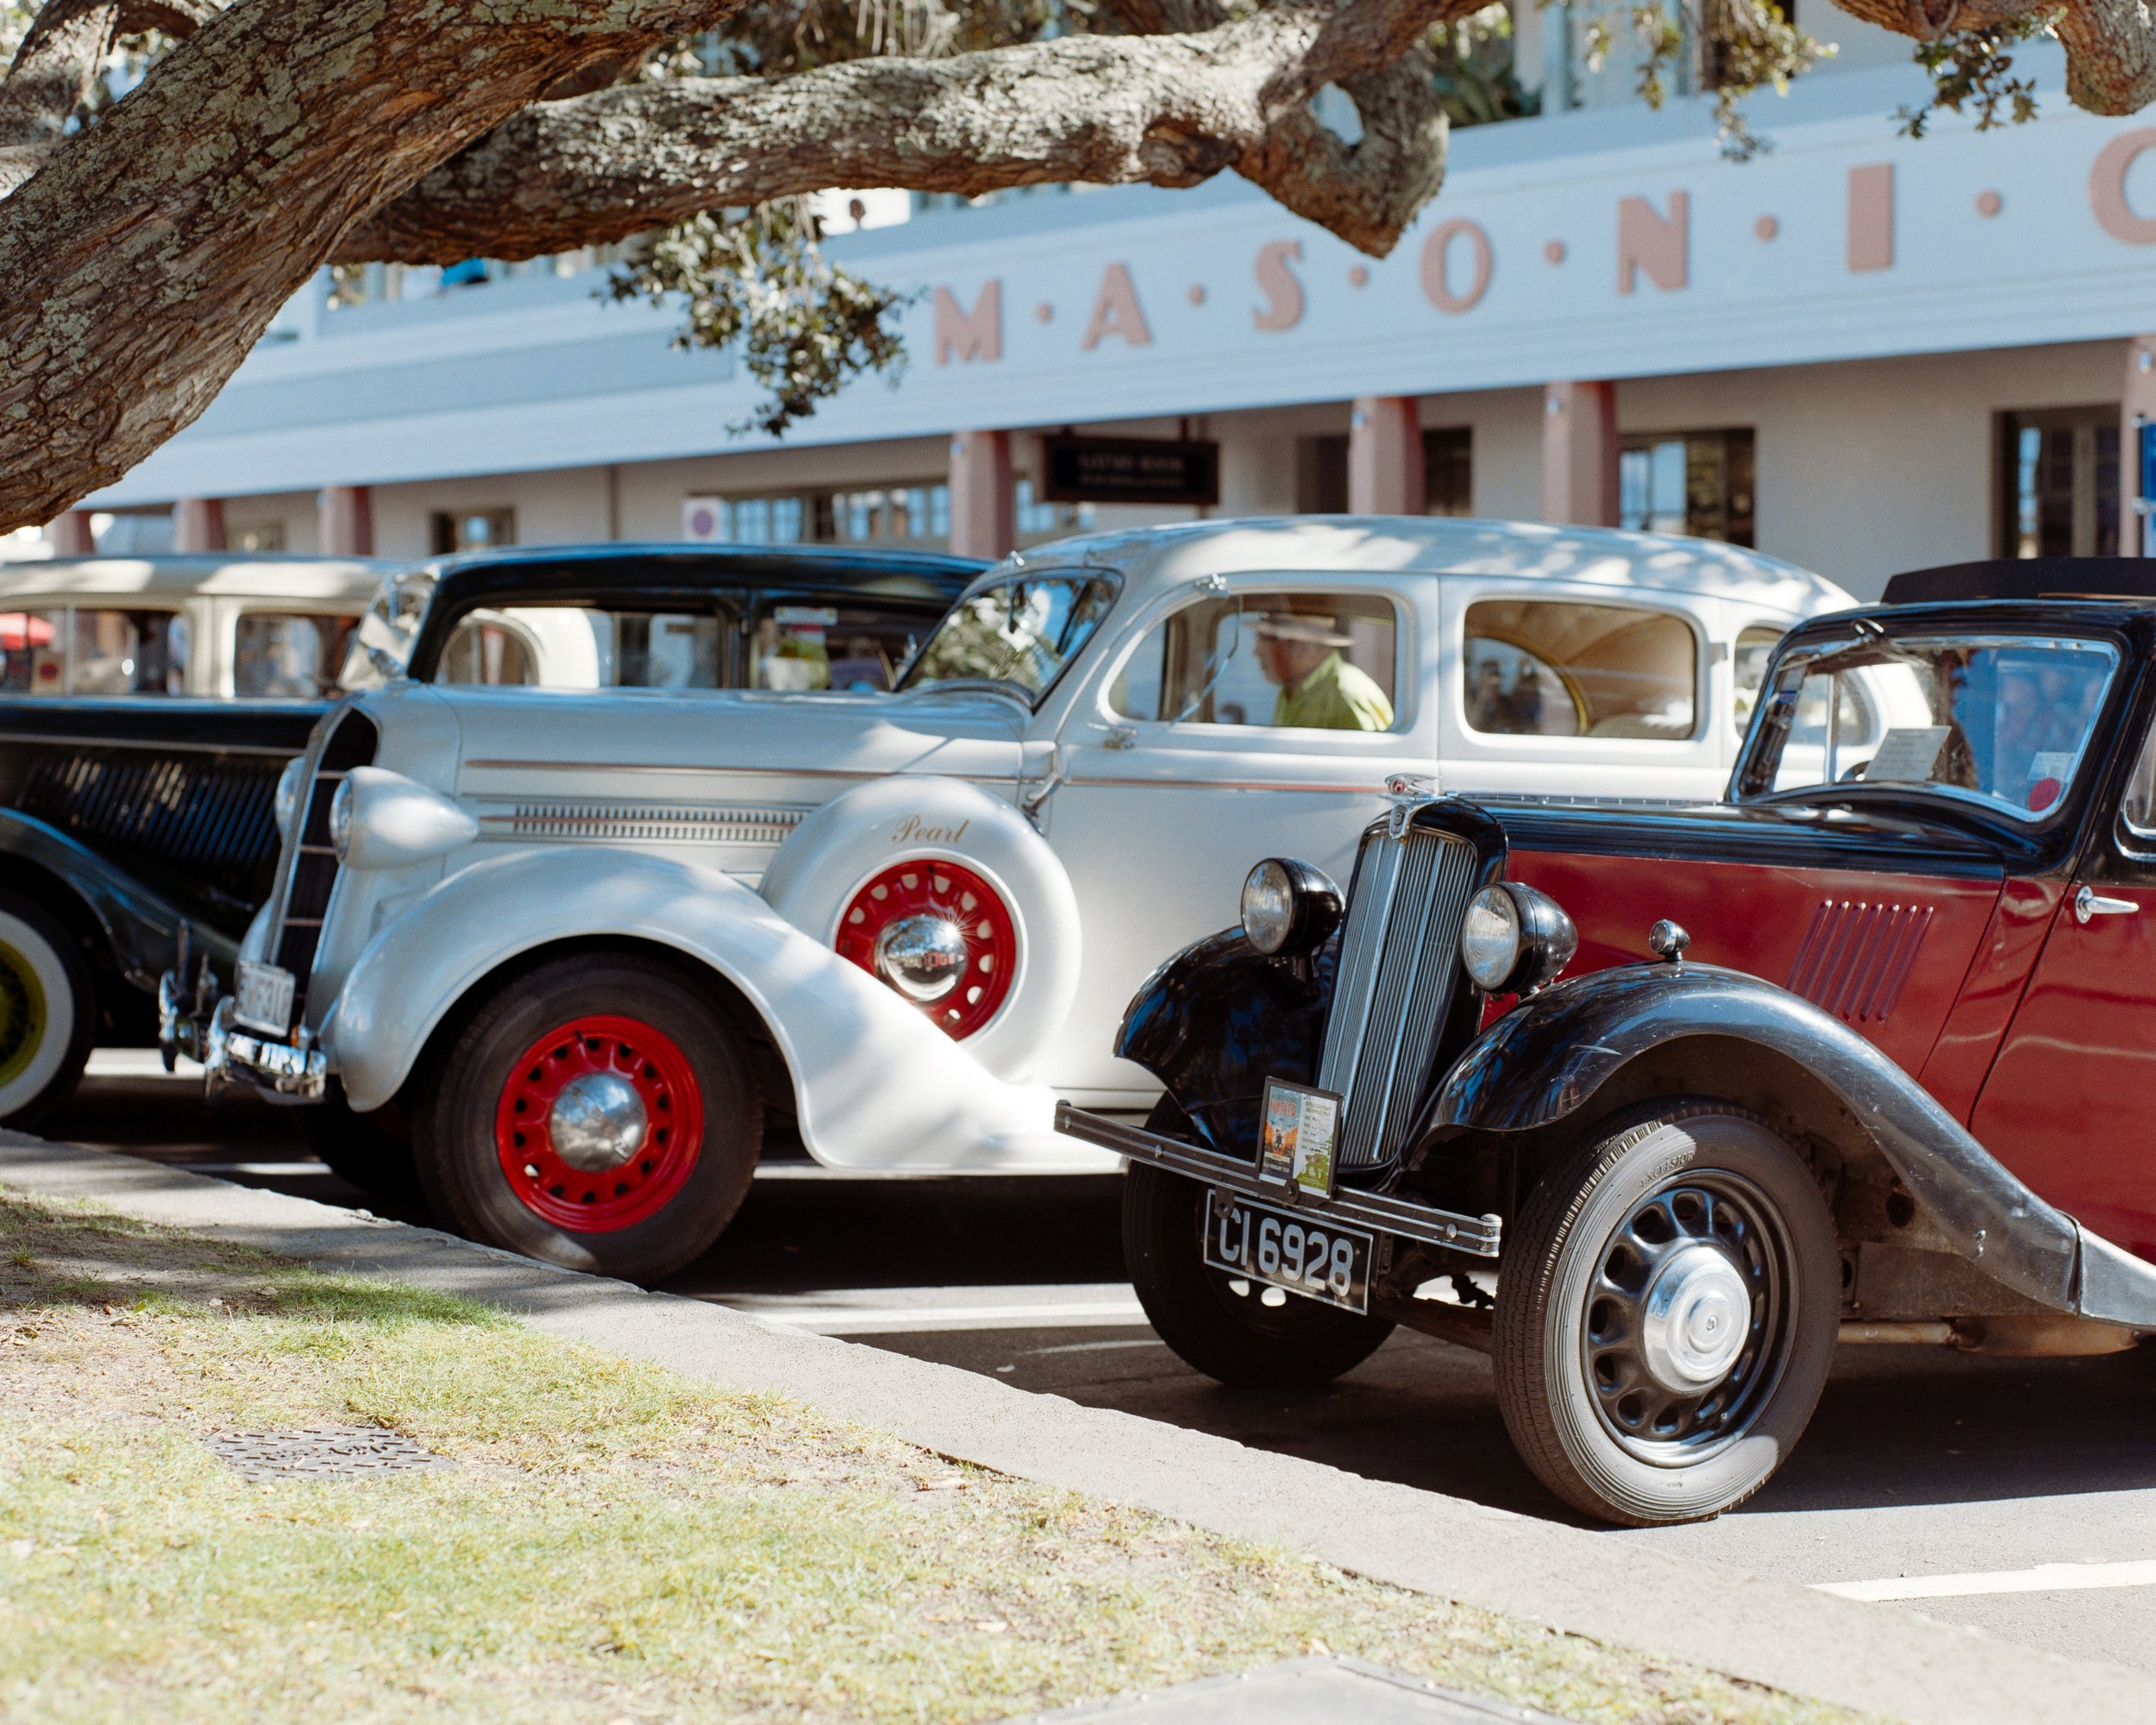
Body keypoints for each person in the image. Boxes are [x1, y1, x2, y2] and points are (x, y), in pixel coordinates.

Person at [1252, 611, 1393, 731]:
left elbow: (1371, 760)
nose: (1256, 652)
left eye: (1265, 638)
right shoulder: (1289, 691)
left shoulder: (1347, 695)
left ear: (1306, 648)